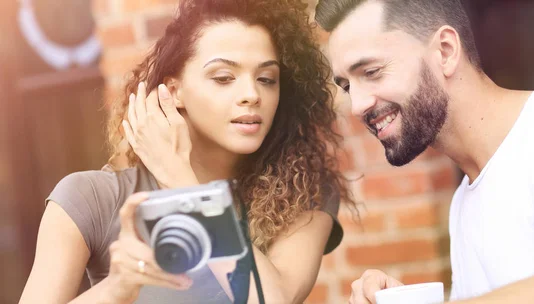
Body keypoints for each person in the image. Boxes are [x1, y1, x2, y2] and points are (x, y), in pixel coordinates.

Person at [19, 0, 357, 303]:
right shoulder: (89, 199)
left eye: (267, 79)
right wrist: (115, 289)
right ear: (173, 91)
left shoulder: (300, 194)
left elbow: (271, 299)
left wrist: (184, 184)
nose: (251, 94)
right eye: (224, 77)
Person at [314, 0, 534, 303]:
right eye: (347, 86)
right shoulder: (464, 202)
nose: (357, 105)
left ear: (446, 51)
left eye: (372, 71)